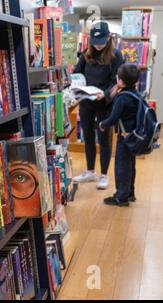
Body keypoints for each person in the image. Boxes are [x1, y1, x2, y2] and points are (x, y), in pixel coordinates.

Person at [72, 21, 124, 189]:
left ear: (108, 37)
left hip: (105, 104)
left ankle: (103, 175)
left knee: (104, 139)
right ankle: (90, 171)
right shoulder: (85, 55)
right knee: (87, 137)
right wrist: (77, 88)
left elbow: (117, 82)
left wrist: (106, 94)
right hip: (86, 102)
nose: (99, 45)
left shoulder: (116, 56)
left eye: (102, 41)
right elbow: (77, 74)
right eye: (96, 42)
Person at [99, 64, 141, 207]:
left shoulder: (122, 97)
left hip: (124, 137)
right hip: (135, 136)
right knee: (130, 165)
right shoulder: (136, 94)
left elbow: (113, 118)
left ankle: (121, 197)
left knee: (121, 167)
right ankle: (130, 193)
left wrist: (102, 124)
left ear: (121, 81)